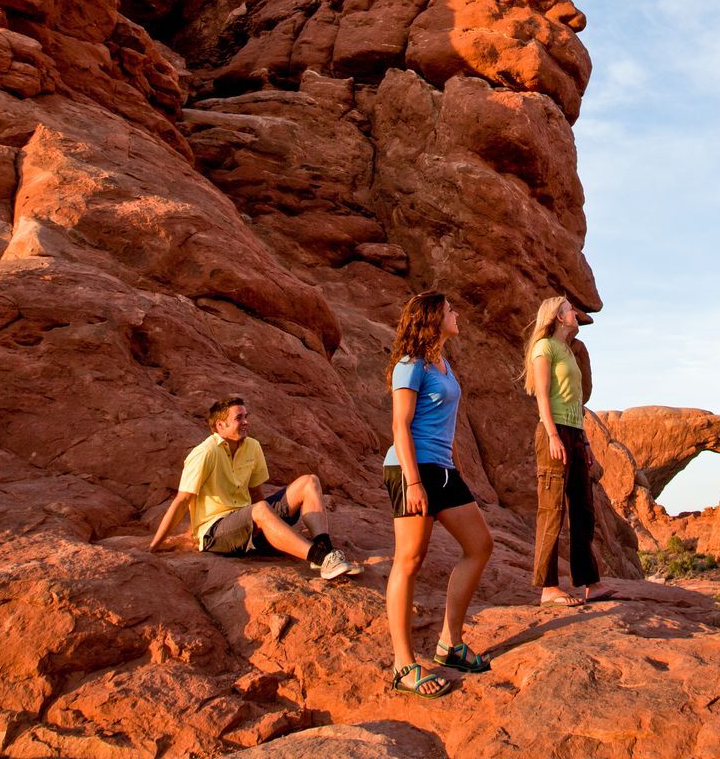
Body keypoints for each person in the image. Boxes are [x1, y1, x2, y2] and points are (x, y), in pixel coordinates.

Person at [383, 292, 494, 697]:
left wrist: (453, 467)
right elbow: (400, 426)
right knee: (410, 561)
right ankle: (403, 666)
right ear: (433, 318)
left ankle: (450, 644)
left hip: (443, 470)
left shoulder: (443, 365)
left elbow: (444, 423)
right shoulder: (409, 367)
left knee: (480, 545)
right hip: (412, 469)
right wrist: (413, 482)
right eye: (450, 311)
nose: (457, 314)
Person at [148, 396, 362, 581]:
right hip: (215, 532)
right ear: (220, 426)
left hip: (247, 520)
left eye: (245, 416)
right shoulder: (204, 453)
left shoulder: (252, 446)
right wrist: (154, 547)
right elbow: (182, 501)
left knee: (309, 481)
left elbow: (256, 494)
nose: (245, 422)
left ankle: (325, 549)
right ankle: (320, 559)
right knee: (260, 510)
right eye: (238, 418)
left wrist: (272, 523)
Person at [524, 294, 609, 606]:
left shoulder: (568, 351)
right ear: (558, 317)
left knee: (583, 510)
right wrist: (552, 435)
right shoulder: (544, 348)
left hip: (574, 433)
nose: (575, 313)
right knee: (552, 509)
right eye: (570, 310)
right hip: (554, 432)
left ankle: (591, 583)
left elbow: (575, 400)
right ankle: (548, 588)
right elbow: (542, 396)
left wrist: (584, 441)